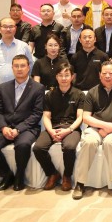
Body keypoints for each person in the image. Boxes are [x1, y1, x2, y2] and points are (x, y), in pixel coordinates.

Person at [72, 61, 112, 200]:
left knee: (109, 142)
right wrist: (105, 126)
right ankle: (80, 183)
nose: (107, 76)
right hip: (95, 129)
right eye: (104, 73)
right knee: (88, 142)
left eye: (110, 73)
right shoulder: (92, 92)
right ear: (99, 75)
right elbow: (86, 117)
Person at [0, 55, 45, 191]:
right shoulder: (3, 87)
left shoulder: (38, 88)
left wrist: (18, 129)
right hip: (6, 126)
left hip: (27, 128)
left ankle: (19, 176)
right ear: (12, 68)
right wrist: (4, 127)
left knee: (23, 145)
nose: (19, 69)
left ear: (28, 68)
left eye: (22, 66)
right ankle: (6, 175)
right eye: (16, 66)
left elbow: (36, 114)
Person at [32, 63, 83, 192]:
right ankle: (52, 174)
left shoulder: (79, 94)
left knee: (69, 147)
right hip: (53, 127)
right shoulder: (49, 94)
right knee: (38, 148)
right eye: (60, 75)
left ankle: (67, 176)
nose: (63, 78)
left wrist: (68, 130)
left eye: (67, 75)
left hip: (71, 128)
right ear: (56, 77)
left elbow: (80, 117)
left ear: (72, 77)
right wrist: (51, 131)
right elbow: (46, 117)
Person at [0, 17, 34, 85]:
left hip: (19, 86)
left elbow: (30, 65)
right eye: (5, 26)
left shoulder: (24, 46)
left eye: (11, 26)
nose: (8, 29)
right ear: (0, 29)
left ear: (15, 28)